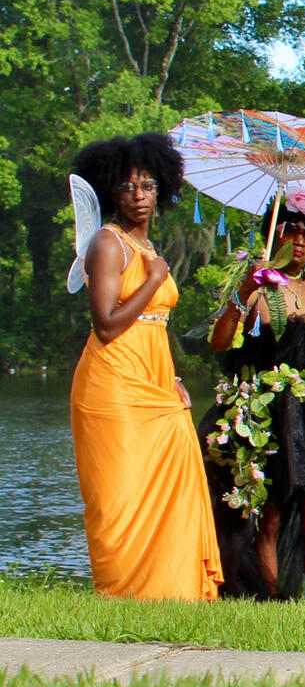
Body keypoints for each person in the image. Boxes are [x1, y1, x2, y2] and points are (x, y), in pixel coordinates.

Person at [69, 132, 222, 600]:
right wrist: (153, 279)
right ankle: (119, 590)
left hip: (154, 379)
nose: (139, 196)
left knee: (174, 481)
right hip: (112, 382)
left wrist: (173, 378)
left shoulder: (151, 248)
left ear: (163, 191)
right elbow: (108, 325)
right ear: (111, 191)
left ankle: (170, 591)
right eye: (128, 187)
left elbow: (156, 323)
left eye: (148, 186)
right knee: (120, 494)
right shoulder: (108, 244)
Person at [202, 191, 305, 600]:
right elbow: (219, 342)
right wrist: (245, 291)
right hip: (264, 414)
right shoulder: (253, 288)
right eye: (291, 229)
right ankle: (270, 603)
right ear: (275, 233)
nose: (301, 239)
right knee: (269, 519)